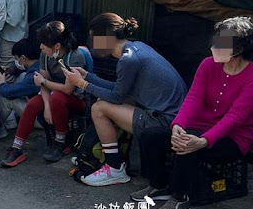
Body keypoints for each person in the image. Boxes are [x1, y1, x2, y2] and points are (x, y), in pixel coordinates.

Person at [134, 17, 253, 209]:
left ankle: (180, 198)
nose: (215, 46)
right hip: (198, 127)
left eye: (222, 43)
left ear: (239, 48)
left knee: (187, 147)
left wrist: (204, 141)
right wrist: (178, 125)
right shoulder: (208, 64)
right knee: (151, 135)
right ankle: (159, 185)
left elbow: (236, 116)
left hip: (233, 138)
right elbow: (194, 98)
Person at [62, 13, 187, 187]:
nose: (93, 44)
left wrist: (81, 84)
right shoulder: (136, 47)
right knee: (105, 101)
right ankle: (100, 155)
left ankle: (114, 168)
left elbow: (116, 96)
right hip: (170, 117)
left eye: (94, 38)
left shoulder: (128, 60)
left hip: (165, 123)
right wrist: (88, 76)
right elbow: (119, 89)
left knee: (99, 108)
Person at [0, 22, 89, 167]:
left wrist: (44, 84)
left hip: (77, 100)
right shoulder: (45, 55)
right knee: (33, 104)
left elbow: (68, 89)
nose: (40, 47)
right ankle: (17, 148)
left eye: (43, 44)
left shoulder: (75, 56)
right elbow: (44, 81)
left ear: (57, 46)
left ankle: (60, 142)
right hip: (53, 96)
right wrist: (47, 106)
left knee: (57, 98)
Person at [0, 37, 41, 130]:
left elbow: (9, 93)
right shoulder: (40, 64)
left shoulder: (33, 76)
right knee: (22, 75)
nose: (15, 61)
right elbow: (22, 70)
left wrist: (2, 83)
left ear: (23, 58)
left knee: (6, 99)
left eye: (16, 58)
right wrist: (11, 71)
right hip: (42, 110)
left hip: (41, 119)